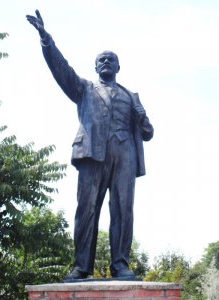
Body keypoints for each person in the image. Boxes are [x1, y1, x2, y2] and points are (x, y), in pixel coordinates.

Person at [26, 10, 154, 280]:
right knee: (86, 209)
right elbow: (62, 71)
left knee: (123, 210)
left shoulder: (132, 96)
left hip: (125, 155)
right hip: (92, 153)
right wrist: (46, 40)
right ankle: (82, 266)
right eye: (101, 60)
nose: (106, 62)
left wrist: (144, 120)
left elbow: (147, 132)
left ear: (118, 67)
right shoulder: (83, 88)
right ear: (96, 67)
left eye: (111, 60)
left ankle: (120, 265)